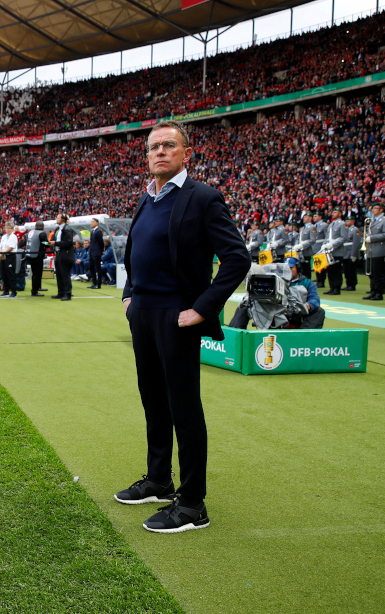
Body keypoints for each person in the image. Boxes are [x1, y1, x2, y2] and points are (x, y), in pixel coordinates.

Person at [115, 121, 249, 534]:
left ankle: (192, 504)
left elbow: (236, 259)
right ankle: (159, 479)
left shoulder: (204, 198)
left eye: (169, 145)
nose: (159, 152)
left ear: (186, 153)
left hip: (178, 316)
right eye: (153, 147)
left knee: (184, 409)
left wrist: (201, 309)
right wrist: (129, 295)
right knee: (153, 402)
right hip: (144, 314)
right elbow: (137, 251)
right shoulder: (147, 198)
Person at [363, 202, 385, 301]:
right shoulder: (372, 220)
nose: (373, 210)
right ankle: (373, 291)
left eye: (376, 208)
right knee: (371, 273)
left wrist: (372, 238)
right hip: (371, 249)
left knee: (377, 273)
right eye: (372, 208)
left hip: (379, 249)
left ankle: (379, 293)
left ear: (381, 210)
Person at [322, 207, 346, 295]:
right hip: (329, 251)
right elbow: (327, 237)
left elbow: (344, 237)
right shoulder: (331, 224)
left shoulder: (342, 224)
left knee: (336, 270)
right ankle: (331, 287)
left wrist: (333, 244)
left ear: (340, 214)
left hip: (337, 251)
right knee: (330, 270)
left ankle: (337, 288)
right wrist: (324, 245)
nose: (333, 213)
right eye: (333, 212)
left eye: (335, 212)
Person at [51, 213, 75, 301]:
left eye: (58, 218)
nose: (56, 219)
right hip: (58, 253)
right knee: (59, 274)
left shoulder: (67, 229)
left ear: (63, 220)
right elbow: (54, 239)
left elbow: (68, 242)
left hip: (65, 254)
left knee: (65, 275)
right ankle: (60, 292)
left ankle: (67, 293)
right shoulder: (58, 229)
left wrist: (55, 243)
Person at [26, 221, 48, 297]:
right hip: (37, 255)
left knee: (34, 273)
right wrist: (50, 244)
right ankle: (34, 291)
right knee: (37, 274)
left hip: (30, 254)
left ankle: (37, 288)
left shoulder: (30, 232)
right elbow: (45, 243)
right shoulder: (42, 233)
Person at [0, 222, 18, 298]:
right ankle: (6, 290)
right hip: (3, 257)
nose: (7, 229)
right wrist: (0, 253)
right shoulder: (3, 237)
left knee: (11, 273)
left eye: (9, 228)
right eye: (6, 228)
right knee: (4, 274)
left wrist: (3, 252)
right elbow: (0, 246)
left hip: (10, 256)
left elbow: (11, 247)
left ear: (12, 229)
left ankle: (13, 291)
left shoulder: (13, 237)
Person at [341, 214, 360, 292]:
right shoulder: (346, 230)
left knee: (351, 270)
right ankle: (348, 284)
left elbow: (356, 243)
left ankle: (352, 285)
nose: (346, 222)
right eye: (346, 221)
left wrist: (354, 254)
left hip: (351, 252)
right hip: (345, 252)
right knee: (346, 270)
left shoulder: (355, 230)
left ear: (353, 221)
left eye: (348, 221)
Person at [312, 212, 328, 287]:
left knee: (321, 265)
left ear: (320, 217)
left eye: (316, 216)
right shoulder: (314, 226)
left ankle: (322, 281)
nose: (314, 217)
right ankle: (318, 279)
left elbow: (326, 236)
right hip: (315, 247)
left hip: (321, 247)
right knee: (316, 264)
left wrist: (324, 245)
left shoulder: (324, 225)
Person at [88, 217, 105, 289]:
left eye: (93, 222)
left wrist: (101, 250)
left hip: (96, 252)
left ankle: (98, 284)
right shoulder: (92, 231)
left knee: (98, 268)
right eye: (91, 222)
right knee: (91, 267)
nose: (91, 223)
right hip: (92, 252)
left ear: (97, 223)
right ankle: (94, 282)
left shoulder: (98, 231)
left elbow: (101, 242)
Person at [297, 213, 315, 279]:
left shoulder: (312, 227)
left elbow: (312, 240)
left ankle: (307, 285)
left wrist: (302, 245)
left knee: (306, 270)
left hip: (306, 251)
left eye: (306, 217)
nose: (304, 218)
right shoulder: (303, 228)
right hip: (300, 252)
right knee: (302, 270)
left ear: (310, 218)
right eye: (304, 217)